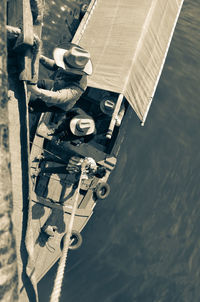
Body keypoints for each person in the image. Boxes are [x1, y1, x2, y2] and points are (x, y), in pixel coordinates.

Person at [28, 42, 92, 112]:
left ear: (73, 71)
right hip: (55, 85)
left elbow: (57, 97)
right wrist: (40, 57)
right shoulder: (72, 64)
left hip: (57, 103)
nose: (61, 66)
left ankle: (32, 109)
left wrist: (35, 90)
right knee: (40, 82)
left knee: (31, 101)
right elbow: (55, 65)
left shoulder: (77, 89)